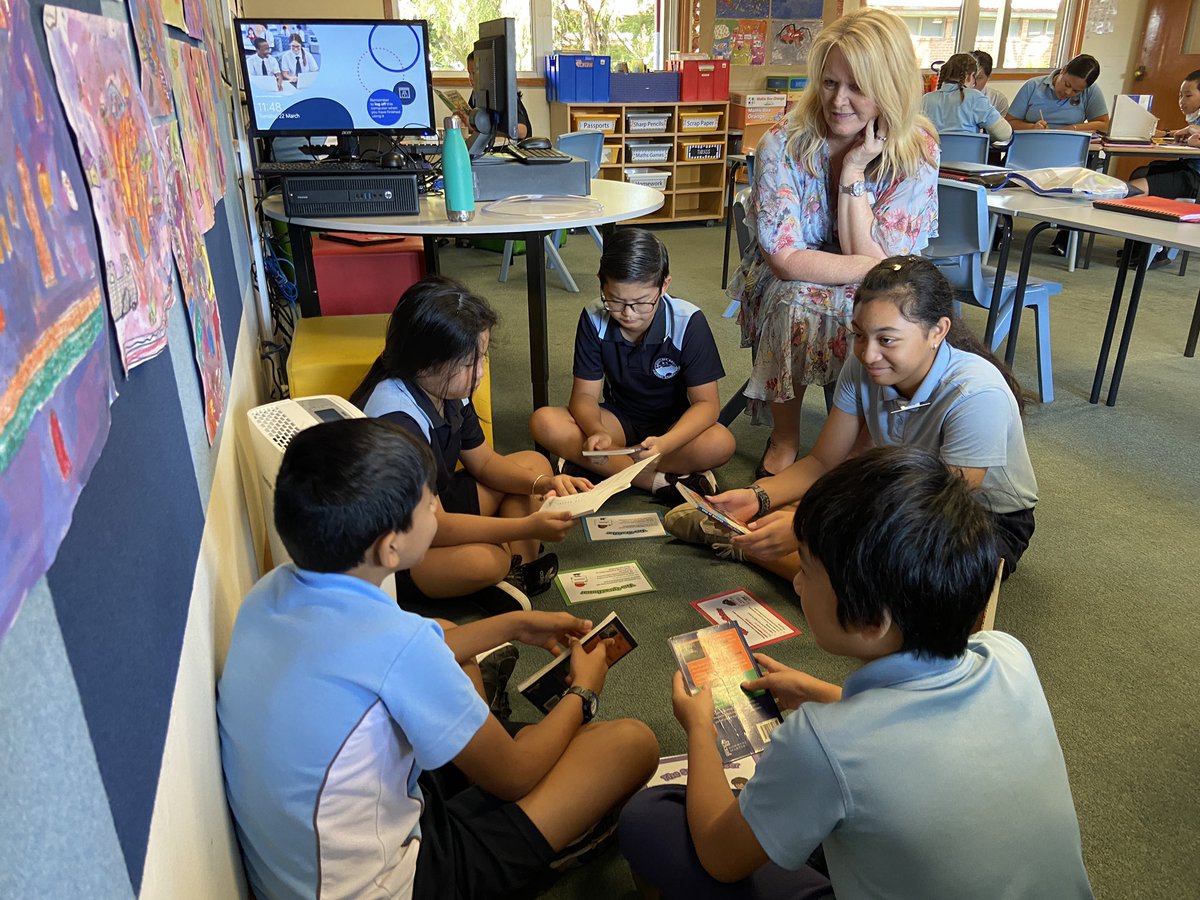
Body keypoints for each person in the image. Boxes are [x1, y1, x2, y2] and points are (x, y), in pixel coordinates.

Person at [621, 446, 1094, 900]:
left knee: (649, 817)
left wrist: (700, 728)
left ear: (872, 620)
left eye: (806, 569)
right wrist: (828, 694)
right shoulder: (1008, 655)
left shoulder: (820, 744)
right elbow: (922, 735)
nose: (798, 581)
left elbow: (720, 857)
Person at [218, 418, 659, 900]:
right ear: (391, 546)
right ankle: (544, 829)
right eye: (429, 500)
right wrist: (583, 691)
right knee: (630, 745)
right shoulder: (398, 644)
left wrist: (513, 625)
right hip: (402, 884)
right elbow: (515, 776)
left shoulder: (269, 592)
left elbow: (409, 653)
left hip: (307, 870)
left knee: (450, 638)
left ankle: (485, 743)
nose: (437, 507)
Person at [667, 256, 1038, 581]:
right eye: (859, 335)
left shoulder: (976, 393)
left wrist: (810, 529)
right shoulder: (864, 366)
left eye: (887, 340)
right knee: (818, 524)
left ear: (937, 331)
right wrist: (757, 497)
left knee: (883, 574)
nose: (868, 353)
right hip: (899, 490)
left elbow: (937, 506)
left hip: (977, 519)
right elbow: (822, 461)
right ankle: (767, 538)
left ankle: (748, 545)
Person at [726, 7, 939, 479]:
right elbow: (784, 258)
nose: (838, 100)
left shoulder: (917, 148)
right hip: (794, 279)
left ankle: (862, 437)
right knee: (793, 299)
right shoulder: (783, 142)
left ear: (890, 88)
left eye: (858, 87)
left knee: (884, 315)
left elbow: (891, 265)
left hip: (868, 279)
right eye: (829, 83)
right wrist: (876, 267)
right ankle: (785, 436)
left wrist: (854, 172)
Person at [350, 277, 589, 606]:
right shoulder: (397, 420)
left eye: (482, 357)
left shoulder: (446, 388)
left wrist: (546, 482)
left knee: (534, 466)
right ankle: (504, 569)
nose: (479, 372)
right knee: (487, 560)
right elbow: (437, 525)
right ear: (425, 361)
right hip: (401, 544)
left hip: (436, 505)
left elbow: (485, 463)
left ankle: (517, 574)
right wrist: (524, 526)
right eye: (468, 363)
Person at [529, 228, 735, 499]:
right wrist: (596, 430)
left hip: (673, 427)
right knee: (544, 421)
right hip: (618, 419)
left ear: (664, 286)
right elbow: (584, 396)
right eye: (614, 301)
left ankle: (600, 467)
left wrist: (665, 443)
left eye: (640, 303)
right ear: (601, 285)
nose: (627, 314)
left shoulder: (688, 321)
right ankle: (657, 482)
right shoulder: (594, 317)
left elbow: (707, 405)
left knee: (721, 442)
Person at [1007, 55, 1108, 255]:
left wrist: (1073, 128)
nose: (1068, 92)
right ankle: (1002, 231)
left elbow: (1104, 123)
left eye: (1076, 91)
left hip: (1068, 166)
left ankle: (1065, 236)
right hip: (1028, 161)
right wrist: (1032, 127)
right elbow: (1009, 121)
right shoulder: (1033, 87)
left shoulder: (1091, 92)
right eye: (1067, 84)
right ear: (1062, 71)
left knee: (1086, 181)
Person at [1123, 70, 1200, 267]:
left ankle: (1156, 248)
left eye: (1188, 95)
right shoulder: (1195, 118)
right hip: (1188, 169)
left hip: (1195, 179)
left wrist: (1194, 140)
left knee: (1134, 189)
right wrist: (1167, 133)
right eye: (1180, 95)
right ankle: (1137, 244)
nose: (1182, 101)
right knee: (1143, 172)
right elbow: (1188, 133)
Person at [921, 52, 1012, 142]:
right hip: (969, 156)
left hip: (934, 156)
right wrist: (983, 138)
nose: (974, 83)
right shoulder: (976, 98)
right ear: (970, 76)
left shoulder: (926, 100)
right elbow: (1005, 134)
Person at [467, 49, 531, 140]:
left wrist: (488, 130)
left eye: (474, 73)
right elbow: (475, 127)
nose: (470, 78)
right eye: (469, 73)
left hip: (516, 150)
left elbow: (522, 131)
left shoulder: (504, 96)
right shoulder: (476, 94)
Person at [971, 49, 1010, 117]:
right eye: (969, 76)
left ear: (988, 76)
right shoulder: (952, 96)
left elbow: (1003, 127)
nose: (973, 83)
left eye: (979, 78)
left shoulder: (998, 100)